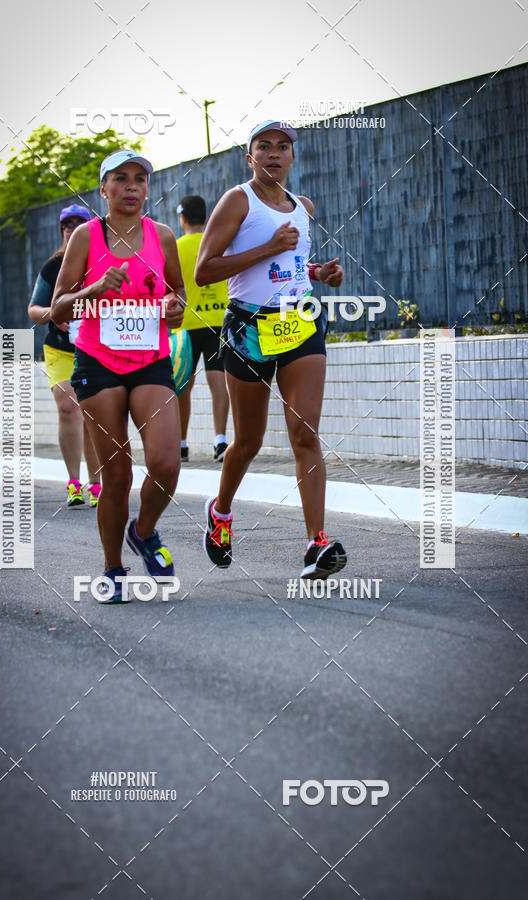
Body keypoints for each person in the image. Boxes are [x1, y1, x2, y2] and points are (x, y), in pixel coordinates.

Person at [195, 121, 347, 580]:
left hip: (299, 321)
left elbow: (292, 264)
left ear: (293, 158)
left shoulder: (303, 206)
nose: (275, 153)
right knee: (249, 441)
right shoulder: (237, 200)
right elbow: (205, 270)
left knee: (305, 434)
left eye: (283, 147)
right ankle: (220, 515)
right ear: (250, 157)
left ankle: (316, 544)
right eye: (265, 146)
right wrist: (267, 247)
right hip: (248, 326)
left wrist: (320, 274)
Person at [51, 149, 185, 603]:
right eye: (121, 179)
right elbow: (57, 308)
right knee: (118, 475)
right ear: (104, 189)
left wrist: (174, 307)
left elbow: (178, 296)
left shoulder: (162, 235)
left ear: (148, 189)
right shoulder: (86, 238)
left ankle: (143, 531)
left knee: (167, 463)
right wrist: (92, 289)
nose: (132, 186)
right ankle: (112, 570)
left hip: (150, 360)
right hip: (97, 362)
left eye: (140, 179)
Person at [28, 204, 101, 507]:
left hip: (94, 347)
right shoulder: (52, 267)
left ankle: (96, 483)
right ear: (62, 231)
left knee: (92, 415)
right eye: (66, 225)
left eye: (78, 223)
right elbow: (34, 309)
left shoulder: (100, 261)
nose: (71, 228)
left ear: (89, 228)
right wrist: (53, 314)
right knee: (68, 407)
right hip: (59, 348)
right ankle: (74, 482)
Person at [175, 196, 230, 462]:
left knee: (183, 383)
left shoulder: (175, 247)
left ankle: (181, 444)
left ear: (182, 218)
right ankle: (220, 440)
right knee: (218, 380)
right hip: (218, 319)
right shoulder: (219, 244)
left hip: (186, 323)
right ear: (206, 217)